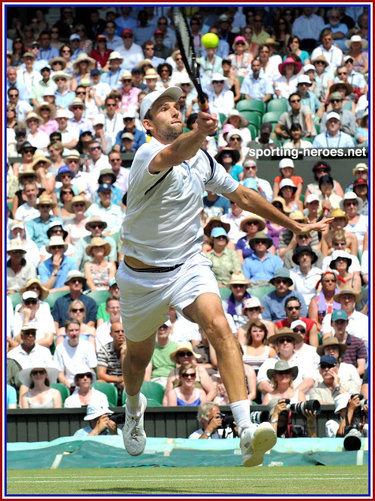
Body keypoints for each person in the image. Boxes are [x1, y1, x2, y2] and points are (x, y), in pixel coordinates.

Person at [115, 86, 331, 465]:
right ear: (149, 123)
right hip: (141, 276)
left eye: (177, 107)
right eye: (164, 109)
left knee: (220, 326)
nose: (174, 112)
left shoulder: (200, 160)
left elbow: (244, 196)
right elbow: (174, 152)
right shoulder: (148, 154)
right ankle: (133, 413)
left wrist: (294, 226)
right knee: (136, 360)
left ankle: (247, 430)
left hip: (187, 263)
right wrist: (199, 132)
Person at [54, 318, 98, 392]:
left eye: (76, 330)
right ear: (66, 332)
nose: (74, 333)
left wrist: (85, 385)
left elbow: (91, 370)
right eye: (71, 330)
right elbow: (60, 374)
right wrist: (70, 386)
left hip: (86, 383)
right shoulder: (60, 348)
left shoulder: (88, 346)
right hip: (69, 385)